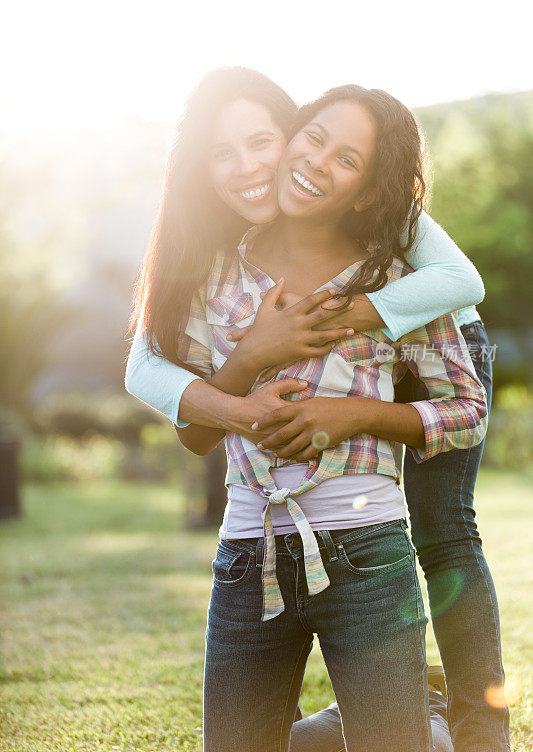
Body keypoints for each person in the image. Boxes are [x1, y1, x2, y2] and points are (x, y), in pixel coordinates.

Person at [125, 69, 508, 751]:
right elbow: (180, 414)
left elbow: (462, 377)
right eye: (315, 140)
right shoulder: (216, 268)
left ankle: (470, 734)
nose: (254, 165)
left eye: (346, 160)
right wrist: (252, 357)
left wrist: (352, 375)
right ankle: (394, 722)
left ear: (367, 190)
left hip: (370, 523)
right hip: (251, 550)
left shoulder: (393, 259)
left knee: (445, 532)